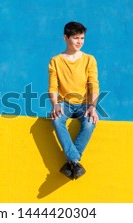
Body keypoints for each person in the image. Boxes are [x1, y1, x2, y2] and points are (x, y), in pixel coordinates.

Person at [48, 21, 99, 180]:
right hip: (65, 104)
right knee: (56, 120)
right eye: (76, 38)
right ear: (65, 38)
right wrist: (55, 105)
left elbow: (93, 84)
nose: (79, 42)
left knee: (90, 122)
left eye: (82, 38)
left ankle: (72, 161)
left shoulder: (89, 59)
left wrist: (92, 106)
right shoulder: (56, 61)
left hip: (84, 104)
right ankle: (75, 161)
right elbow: (53, 86)